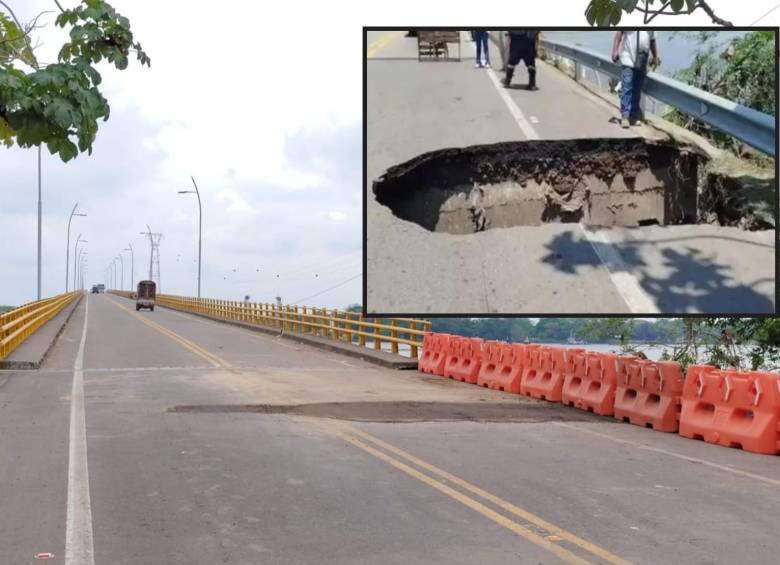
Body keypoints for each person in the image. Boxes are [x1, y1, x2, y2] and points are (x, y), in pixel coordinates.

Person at [612, 30, 660, 128]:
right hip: (627, 58)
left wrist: (655, 57)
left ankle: (633, 116)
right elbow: (619, 33)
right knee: (627, 87)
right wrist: (615, 50)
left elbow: (652, 41)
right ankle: (625, 116)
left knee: (637, 89)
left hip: (642, 60)